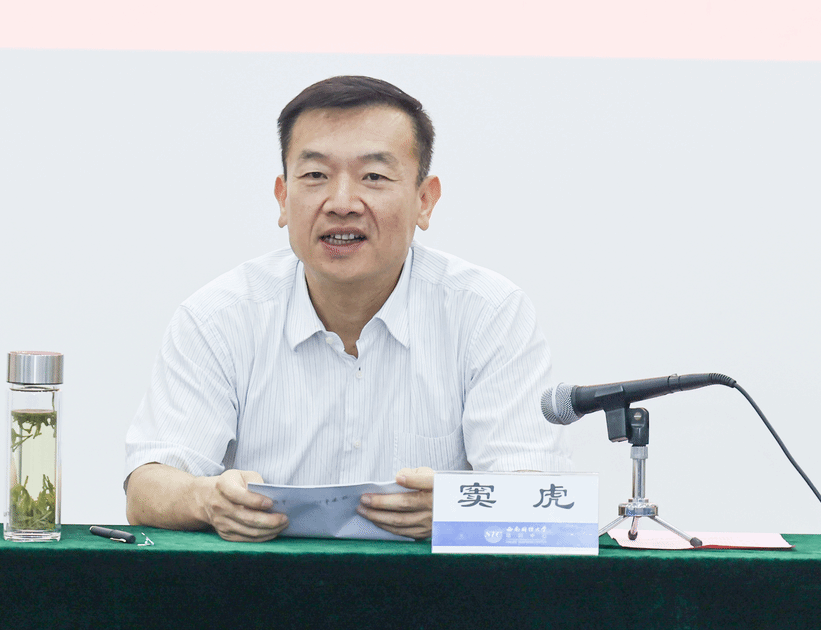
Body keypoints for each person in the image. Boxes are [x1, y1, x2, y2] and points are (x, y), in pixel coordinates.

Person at [124, 75, 571, 542]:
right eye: (315, 176)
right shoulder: (219, 316)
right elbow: (146, 488)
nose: (341, 204)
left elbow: (545, 495)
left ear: (424, 201)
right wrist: (207, 499)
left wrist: (459, 508)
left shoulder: (489, 314)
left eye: (373, 177)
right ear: (283, 198)